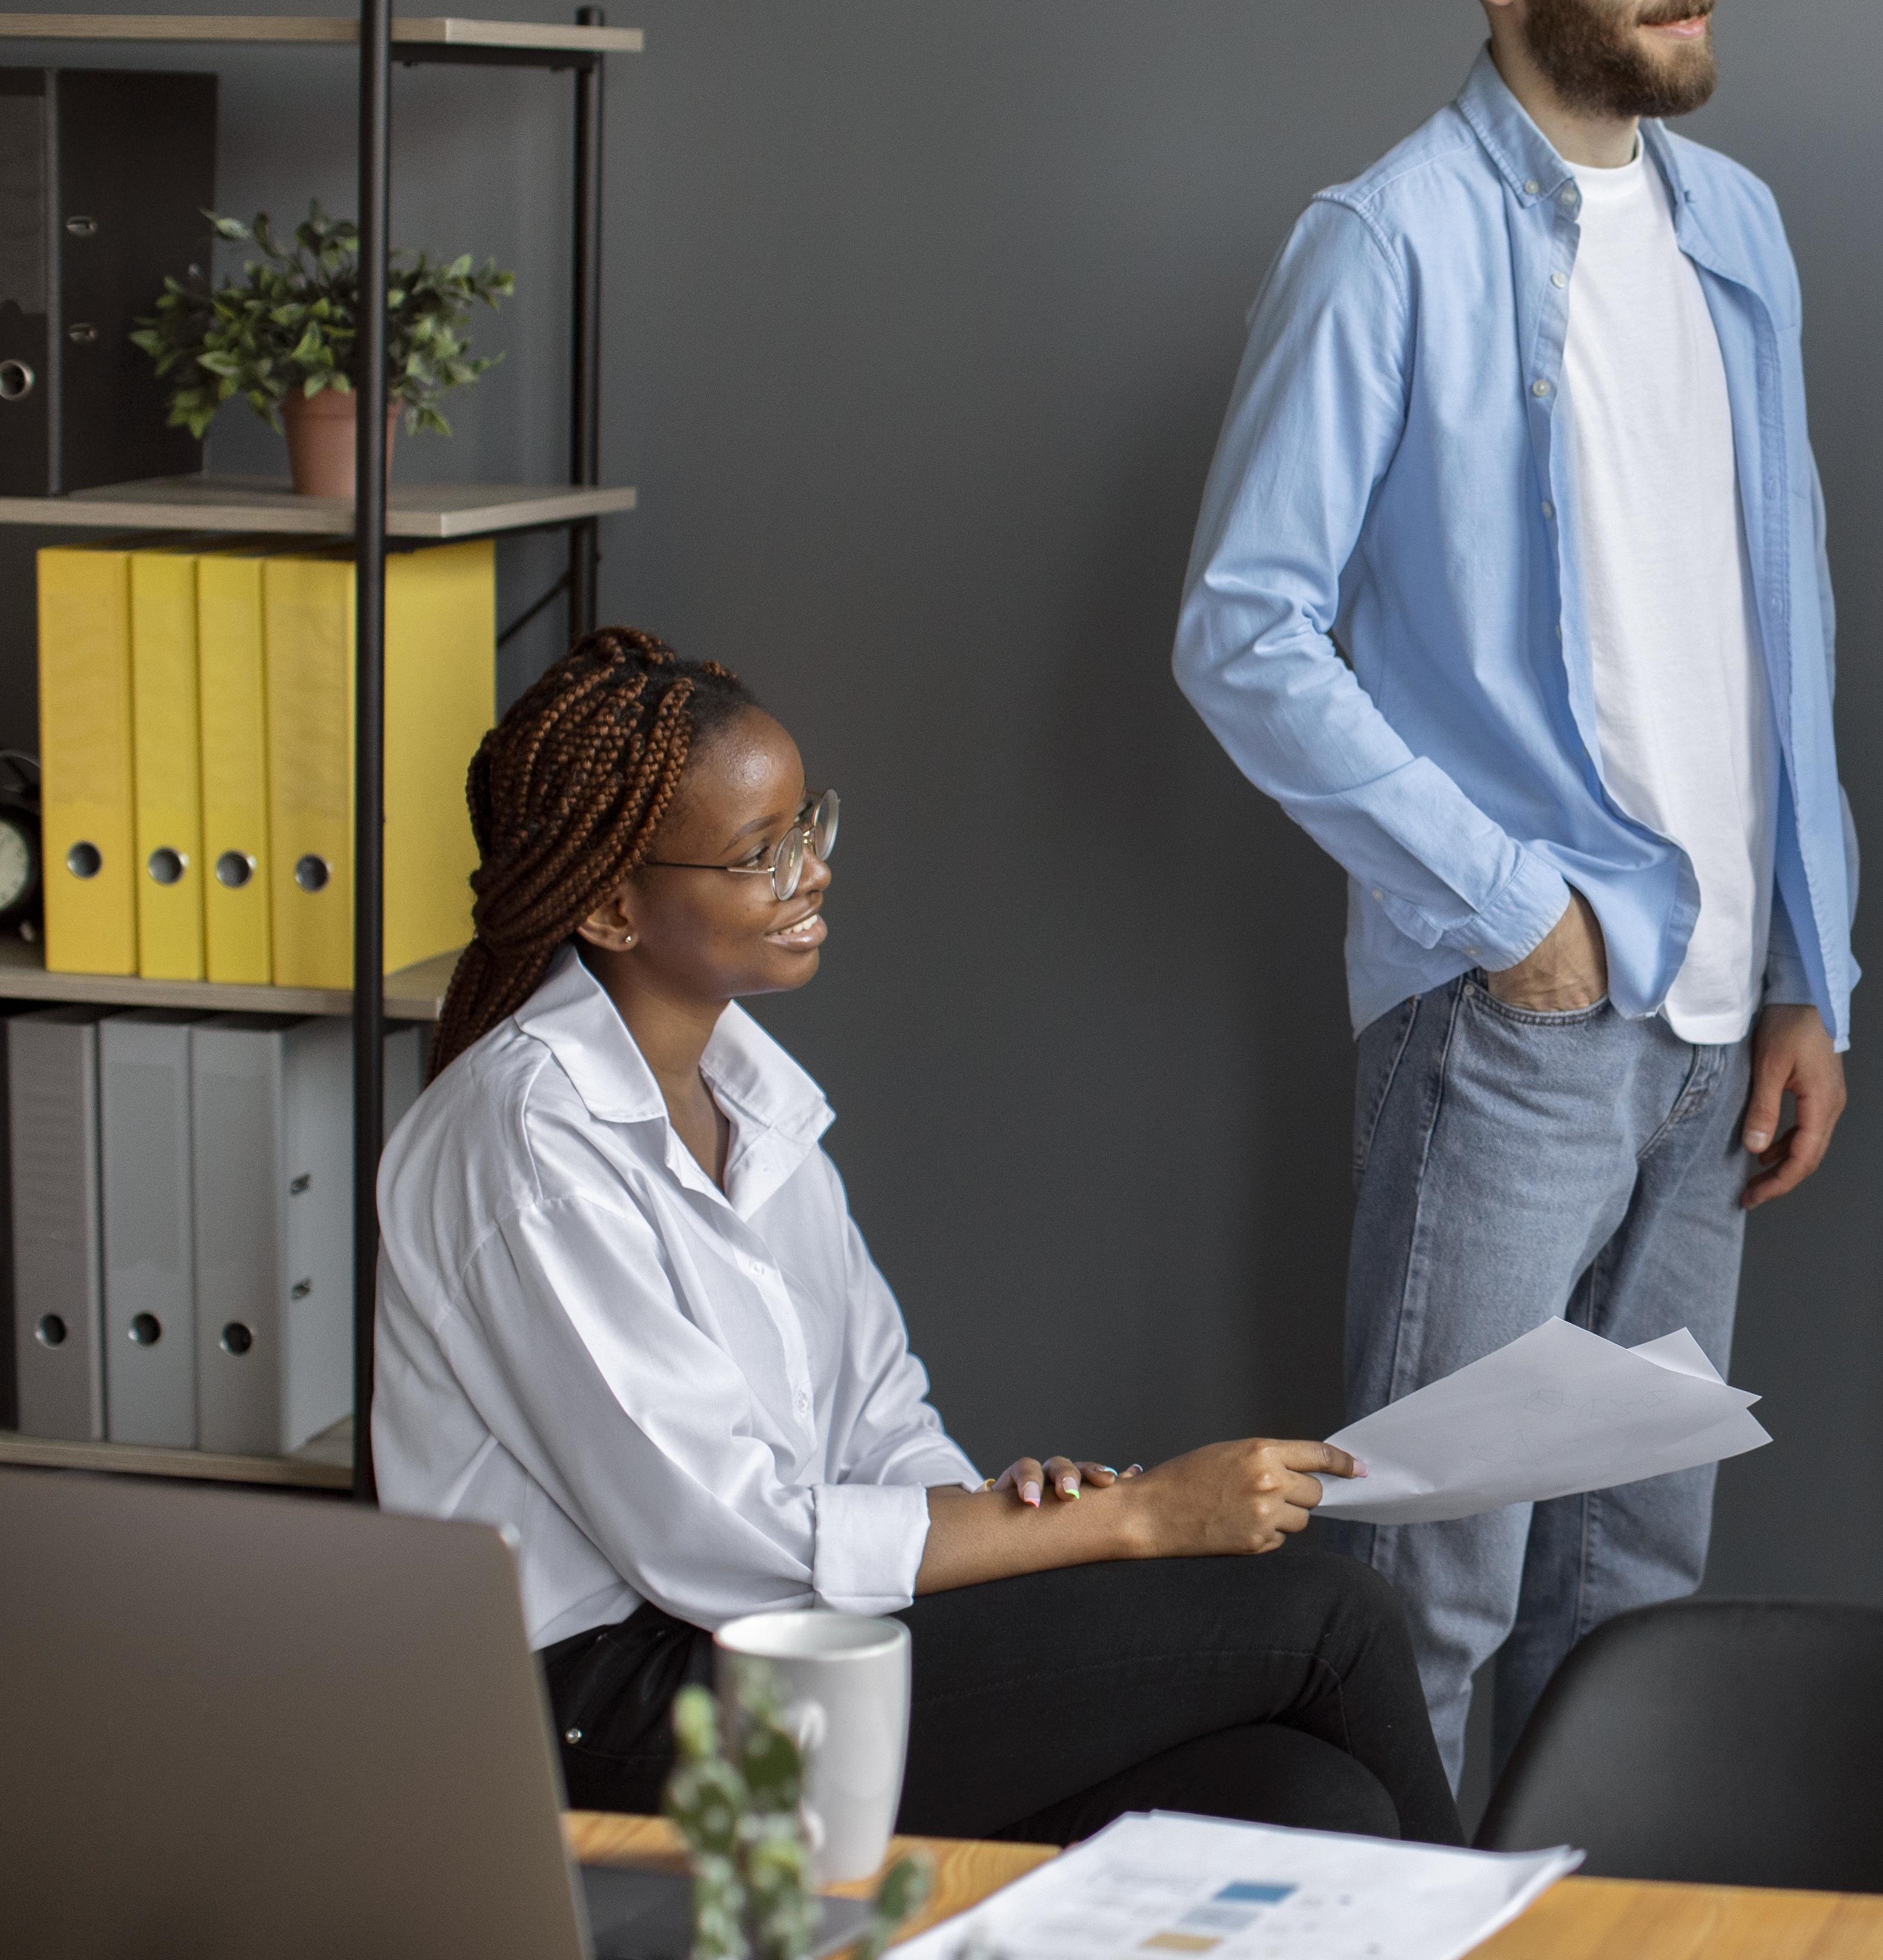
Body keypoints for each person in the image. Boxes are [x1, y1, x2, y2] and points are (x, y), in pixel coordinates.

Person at [1172, 0, 1858, 1782]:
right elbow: (1241, 629)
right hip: (1518, 1033)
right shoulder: (1385, 241)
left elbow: (1783, 634)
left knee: (1633, 1599)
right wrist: (1510, 907)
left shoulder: (1737, 229)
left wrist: (1813, 966)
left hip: (1718, 1030)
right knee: (1426, 1595)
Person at [374, 628, 1458, 1847]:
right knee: (1326, 1615)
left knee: (1299, 1793)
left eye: (809, 827)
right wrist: (1135, 1518)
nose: (812, 872)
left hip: (781, 1636)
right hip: (610, 1707)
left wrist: (1006, 1512)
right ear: (613, 907)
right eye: (759, 855)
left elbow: (878, 1422)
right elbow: (721, 1543)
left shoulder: (751, 1097)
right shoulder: (526, 1143)